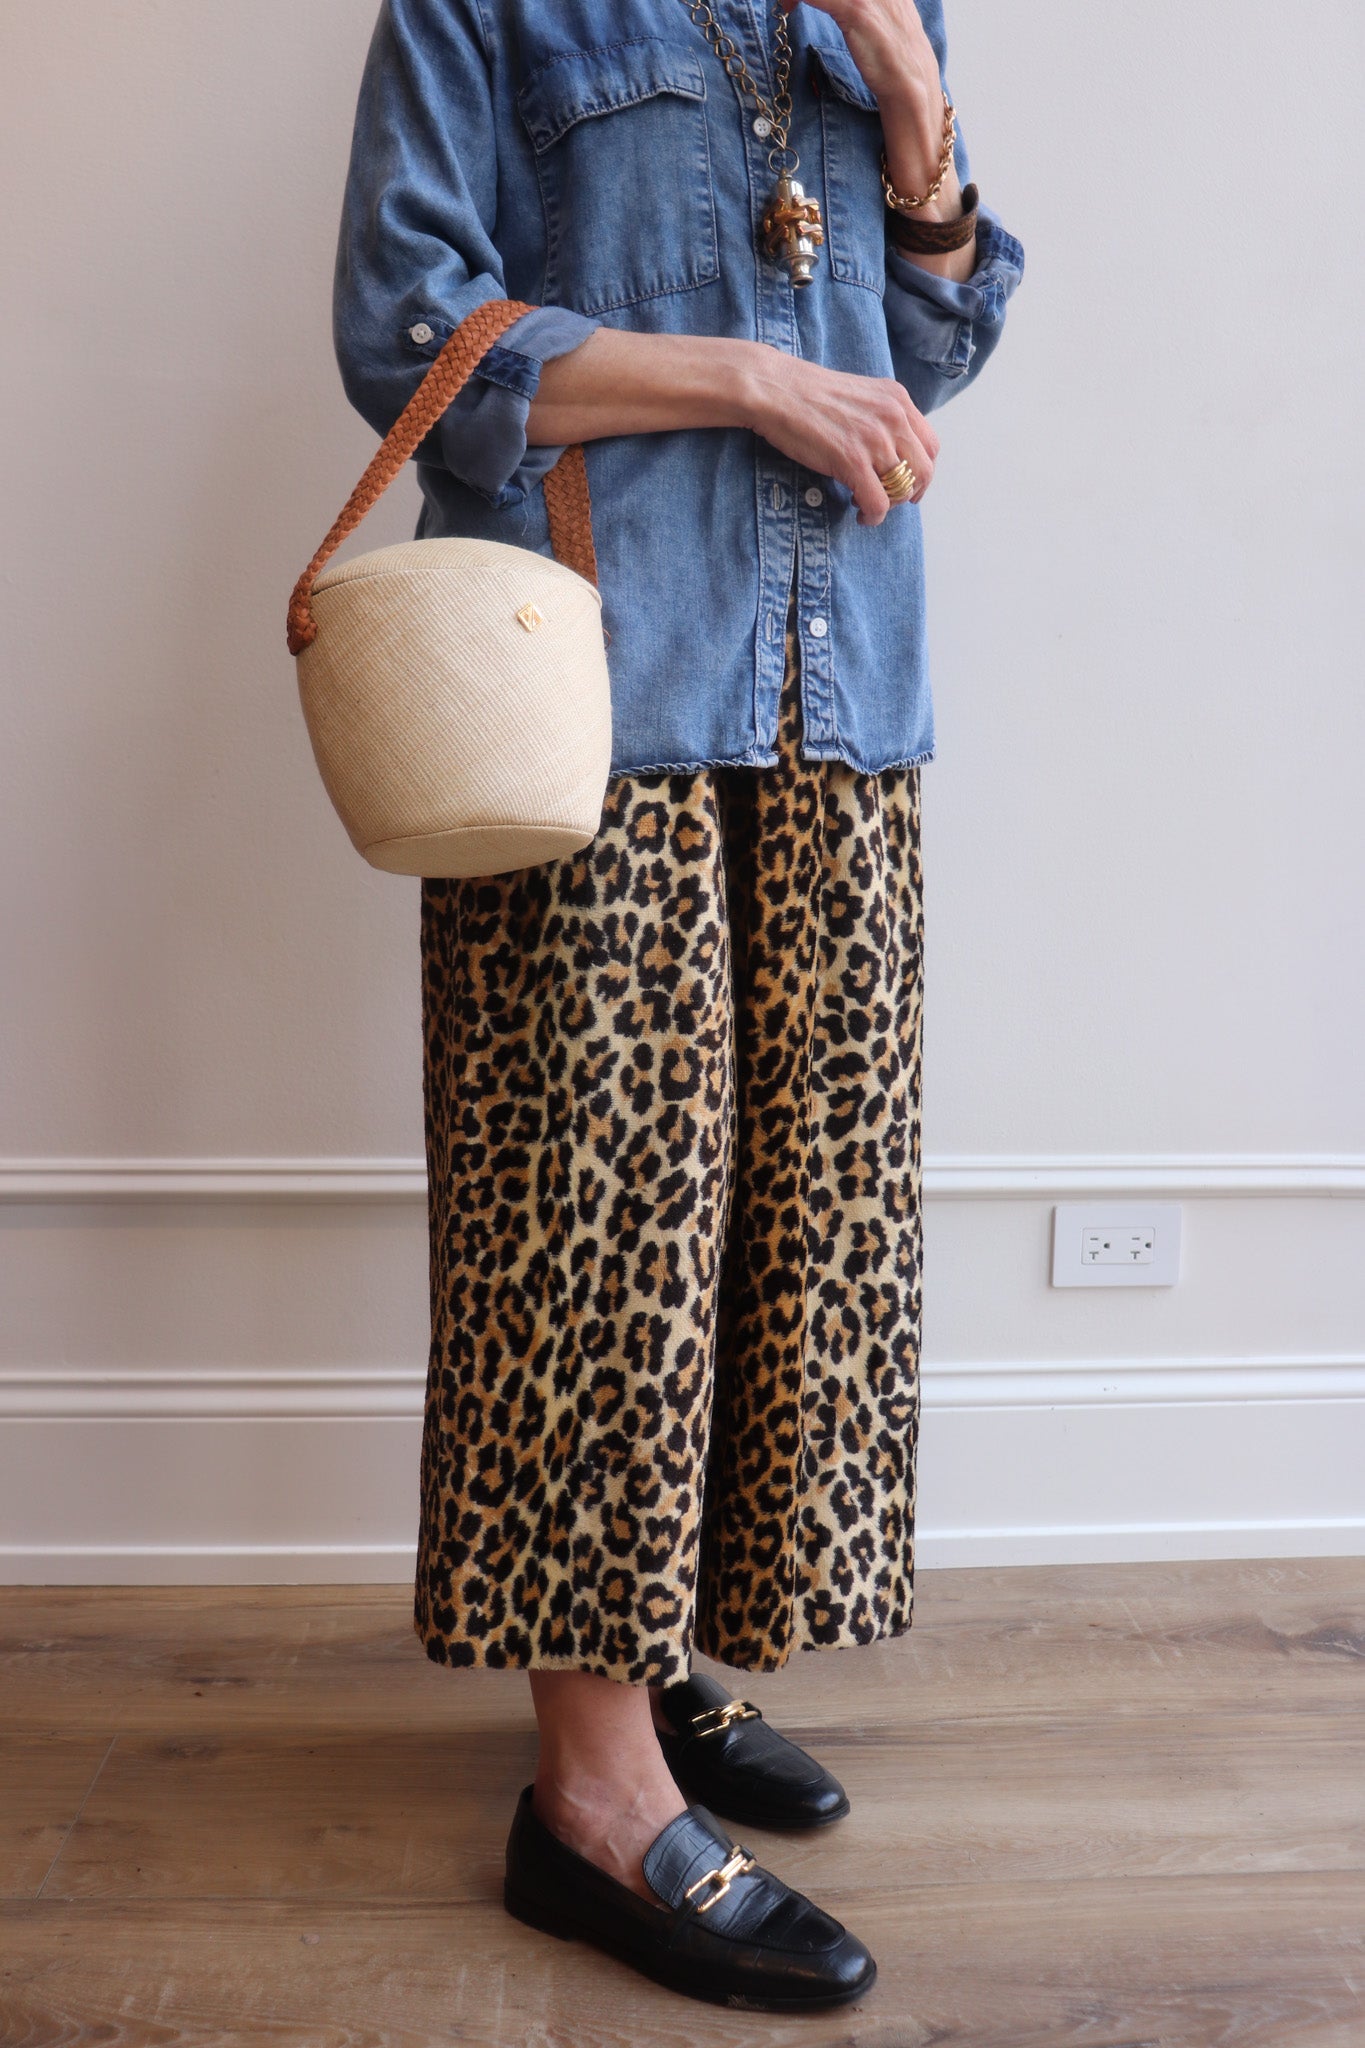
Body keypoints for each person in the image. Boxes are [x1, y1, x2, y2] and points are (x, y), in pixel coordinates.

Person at [333, 0, 1023, 2011]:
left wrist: (916, 130)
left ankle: (659, 1671)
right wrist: (745, 381)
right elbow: (408, 334)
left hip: (836, 700)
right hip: (592, 702)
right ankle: (589, 1797)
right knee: (592, 1242)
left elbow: (936, 348)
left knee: (782, 1235)